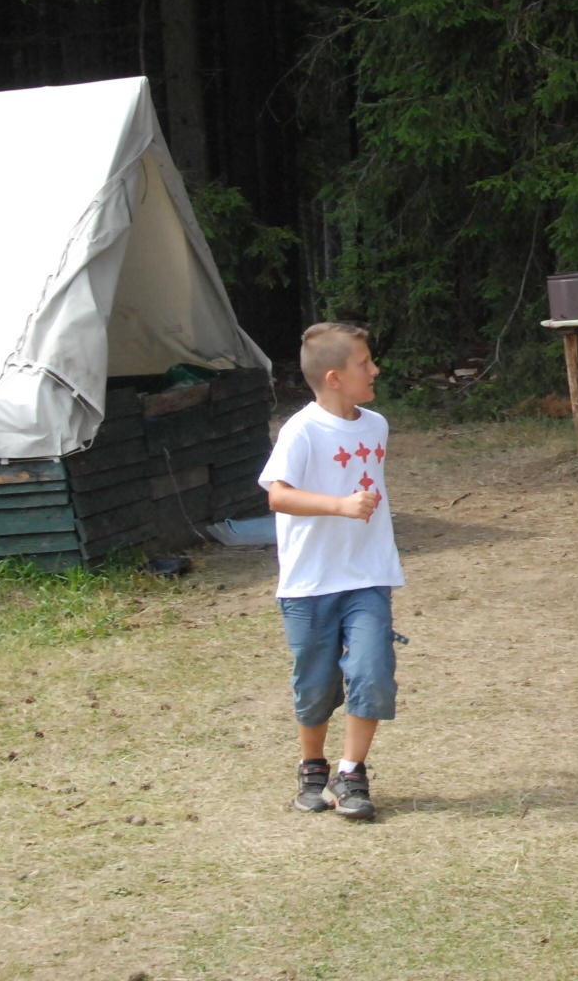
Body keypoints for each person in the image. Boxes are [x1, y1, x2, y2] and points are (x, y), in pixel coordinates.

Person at [258, 323, 402, 820]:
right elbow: (278, 496)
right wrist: (340, 506)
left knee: (372, 671)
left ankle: (350, 772)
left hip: (367, 576)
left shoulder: (376, 425)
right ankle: (312, 766)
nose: (375, 369)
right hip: (310, 582)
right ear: (334, 378)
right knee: (316, 684)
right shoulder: (301, 430)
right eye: (365, 363)